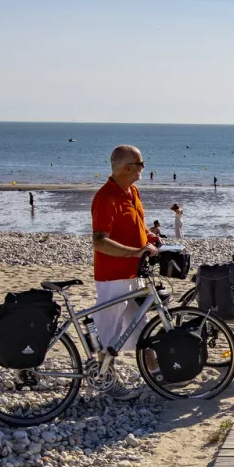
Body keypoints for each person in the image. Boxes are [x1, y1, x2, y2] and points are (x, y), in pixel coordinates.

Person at [91, 145, 158, 399]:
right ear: (126, 168)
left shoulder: (131, 191)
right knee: (108, 330)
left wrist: (151, 238)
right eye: (141, 163)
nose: (144, 168)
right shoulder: (106, 197)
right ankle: (106, 382)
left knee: (140, 325)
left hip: (133, 273)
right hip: (113, 275)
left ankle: (156, 374)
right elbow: (99, 241)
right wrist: (133, 252)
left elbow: (137, 224)